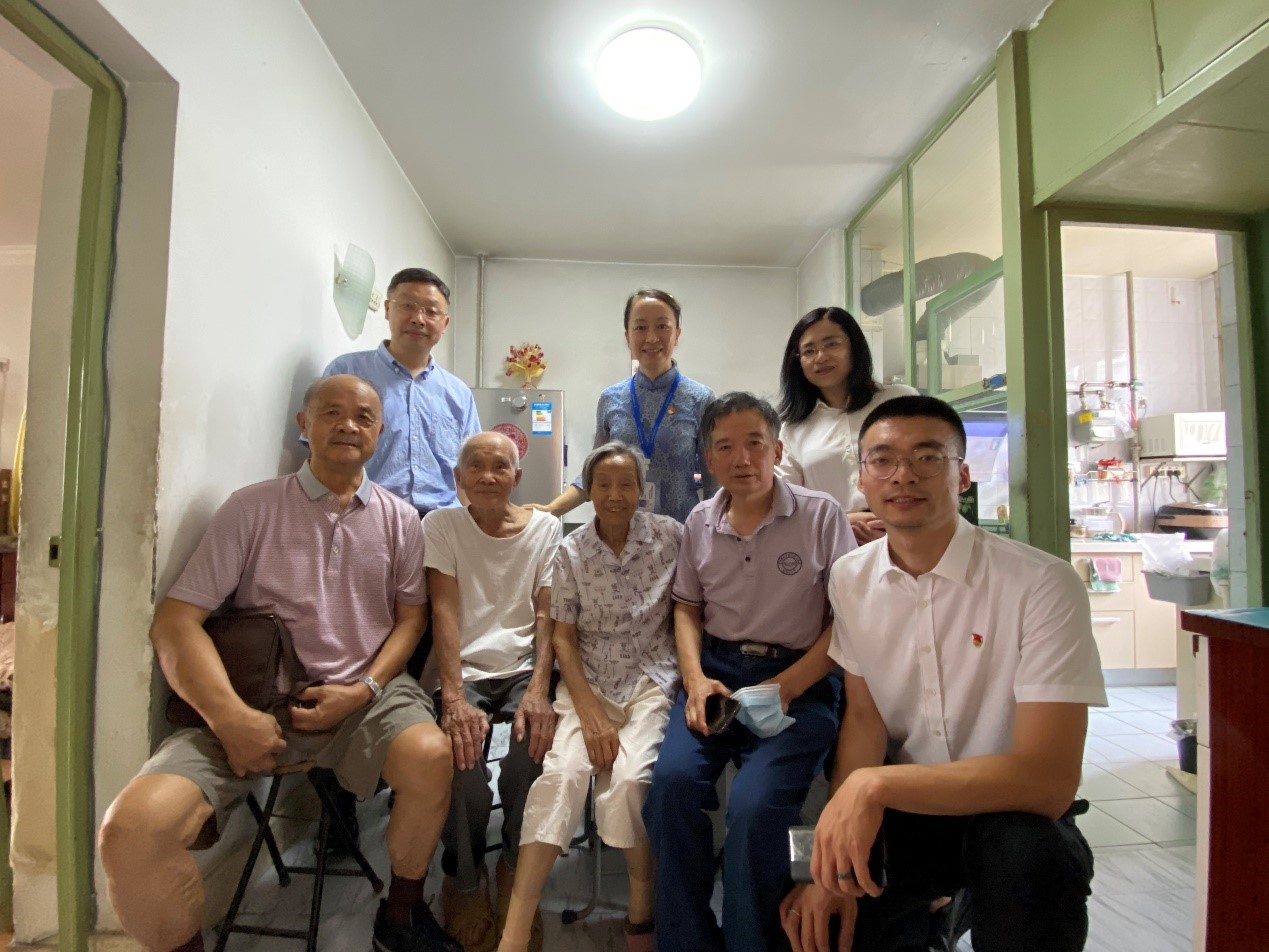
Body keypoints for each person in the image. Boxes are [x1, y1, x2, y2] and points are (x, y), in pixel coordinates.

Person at [97, 375, 459, 952]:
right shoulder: (252, 508)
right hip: (253, 701)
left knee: (431, 756)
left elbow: (410, 619)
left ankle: (401, 914)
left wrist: (364, 689)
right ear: (303, 424)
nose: (348, 426)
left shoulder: (399, 519)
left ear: (380, 432)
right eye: (332, 413)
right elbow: (175, 622)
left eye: (364, 417)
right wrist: (229, 718)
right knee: (133, 832)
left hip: (363, 699)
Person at [781, 395, 1106, 952]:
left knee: (1028, 861)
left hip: (1012, 815)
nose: (903, 475)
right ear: (862, 479)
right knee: (815, 921)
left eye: (928, 457)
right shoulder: (850, 578)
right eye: (883, 459)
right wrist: (828, 862)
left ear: (963, 476)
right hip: (910, 813)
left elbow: (1049, 781)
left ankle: (960, 903)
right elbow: (864, 720)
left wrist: (873, 785)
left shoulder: (1041, 585)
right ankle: (936, 914)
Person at [642, 392, 857, 952]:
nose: (742, 459)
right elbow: (686, 608)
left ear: (777, 451)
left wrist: (788, 686)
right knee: (670, 788)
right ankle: (687, 941)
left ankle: (750, 941)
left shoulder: (821, 515)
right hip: (717, 675)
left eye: (755, 443)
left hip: (801, 679)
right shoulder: (700, 520)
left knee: (756, 804)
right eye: (725, 447)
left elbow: (849, 622)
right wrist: (695, 680)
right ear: (708, 459)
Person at [500, 443, 683, 952]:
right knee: (560, 777)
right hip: (588, 683)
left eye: (626, 484)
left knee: (628, 782)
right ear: (589, 491)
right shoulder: (571, 550)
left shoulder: (671, 537)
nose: (615, 494)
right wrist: (591, 715)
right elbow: (562, 637)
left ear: (642, 489)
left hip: (650, 683)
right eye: (603, 484)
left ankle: (640, 913)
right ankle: (514, 932)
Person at [423, 432, 563, 952]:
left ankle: (513, 867)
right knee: (460, 767)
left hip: (525, 666)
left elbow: (548, 612)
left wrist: (540, 688)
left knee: (532, 754)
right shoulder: (441, 525)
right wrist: (454, 697)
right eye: (475, 466)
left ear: (517, 477)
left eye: (500, 466)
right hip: (463, 670)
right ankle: (464, 878)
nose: (487, 476)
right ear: (457, 477)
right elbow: (443, 610)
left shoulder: (546, 528)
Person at [530, 288, 713, 524]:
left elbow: (714, 480)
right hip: (621, 534)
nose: (651, 338)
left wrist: (714, 532)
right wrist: (551, 510)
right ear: (627, 336)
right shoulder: (611, 398)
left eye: (662, 326)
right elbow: (593, 473)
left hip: (682, 534)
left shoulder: (700, 399)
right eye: (640, 327)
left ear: (677, 333)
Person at [324, 266, 479, 517]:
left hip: (441, 523)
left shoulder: (458, 393)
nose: (418, 318)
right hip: (367, 516)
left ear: (445, 323)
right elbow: (320, 452)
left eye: (431, 311)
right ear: (387, 309)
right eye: (408, 306)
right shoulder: (346, 373)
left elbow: (471, 466)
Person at [776, 306, 917, 545]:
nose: (821, 357)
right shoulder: (794, 428)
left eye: (831, 344)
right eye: (808, 351)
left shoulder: (899, 401)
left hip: (908, 534)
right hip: (832, 542)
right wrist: (843, 521)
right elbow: (787, 501)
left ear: (855, 346)